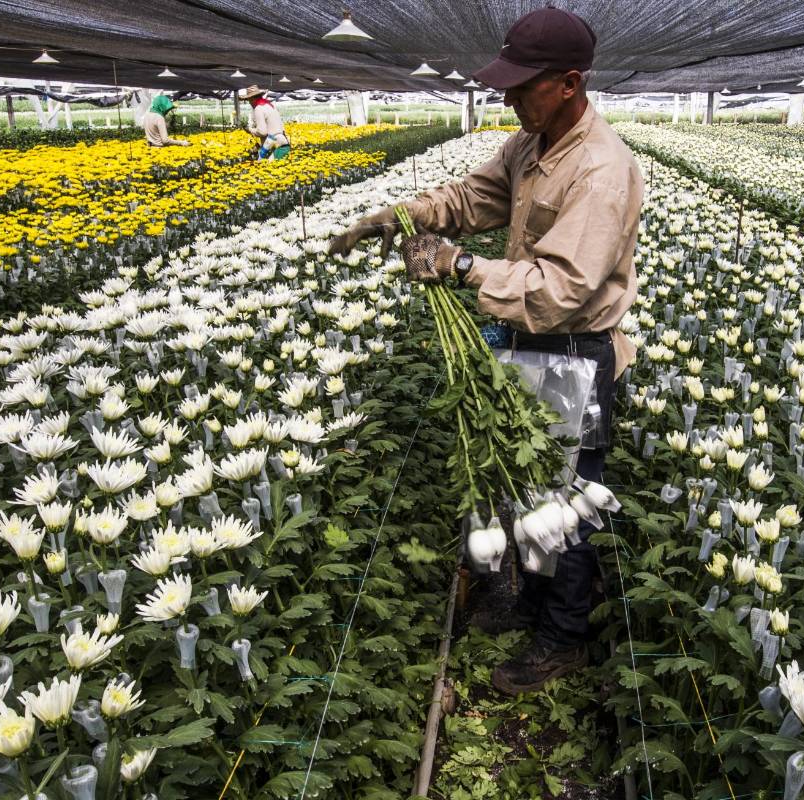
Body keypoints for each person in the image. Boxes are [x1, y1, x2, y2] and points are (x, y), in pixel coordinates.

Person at [328, 7, 642, 695]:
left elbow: (561, 288)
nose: (507, 97)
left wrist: (459, 266)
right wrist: (399, 218)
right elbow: (475, 196)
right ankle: (532, 607)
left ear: (566, 82)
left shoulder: (600, 168)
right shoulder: (531, 146)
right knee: (529, 486)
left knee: (563, 499)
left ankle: (561, 639)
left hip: (572, 347)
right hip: (528, 336)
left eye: (520, 85)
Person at [238, 85, 291, 160]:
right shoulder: (270, 105)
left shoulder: (258, 109)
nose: (249, 103)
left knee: (269, 168)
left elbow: (262, 132)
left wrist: (250, 130)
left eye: (248, 100)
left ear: (252, 98)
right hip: (283, 144)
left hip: (274, 146)